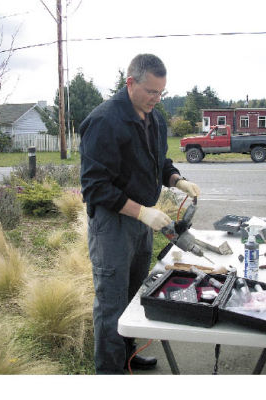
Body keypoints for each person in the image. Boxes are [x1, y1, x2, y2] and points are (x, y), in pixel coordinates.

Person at [79, 54, 200, 374]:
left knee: (133, 298)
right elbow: (94, 187)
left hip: (143, 222)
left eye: (161, 92)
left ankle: (127, 356)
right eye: (151, 92)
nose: (157, 99)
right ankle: (110, 372)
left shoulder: (155, 119)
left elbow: (159, 163)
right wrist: (142, 213)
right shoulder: (104, 120)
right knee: (111, 303)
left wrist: (178, 180)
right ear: (130, 82)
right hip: (113, 225)